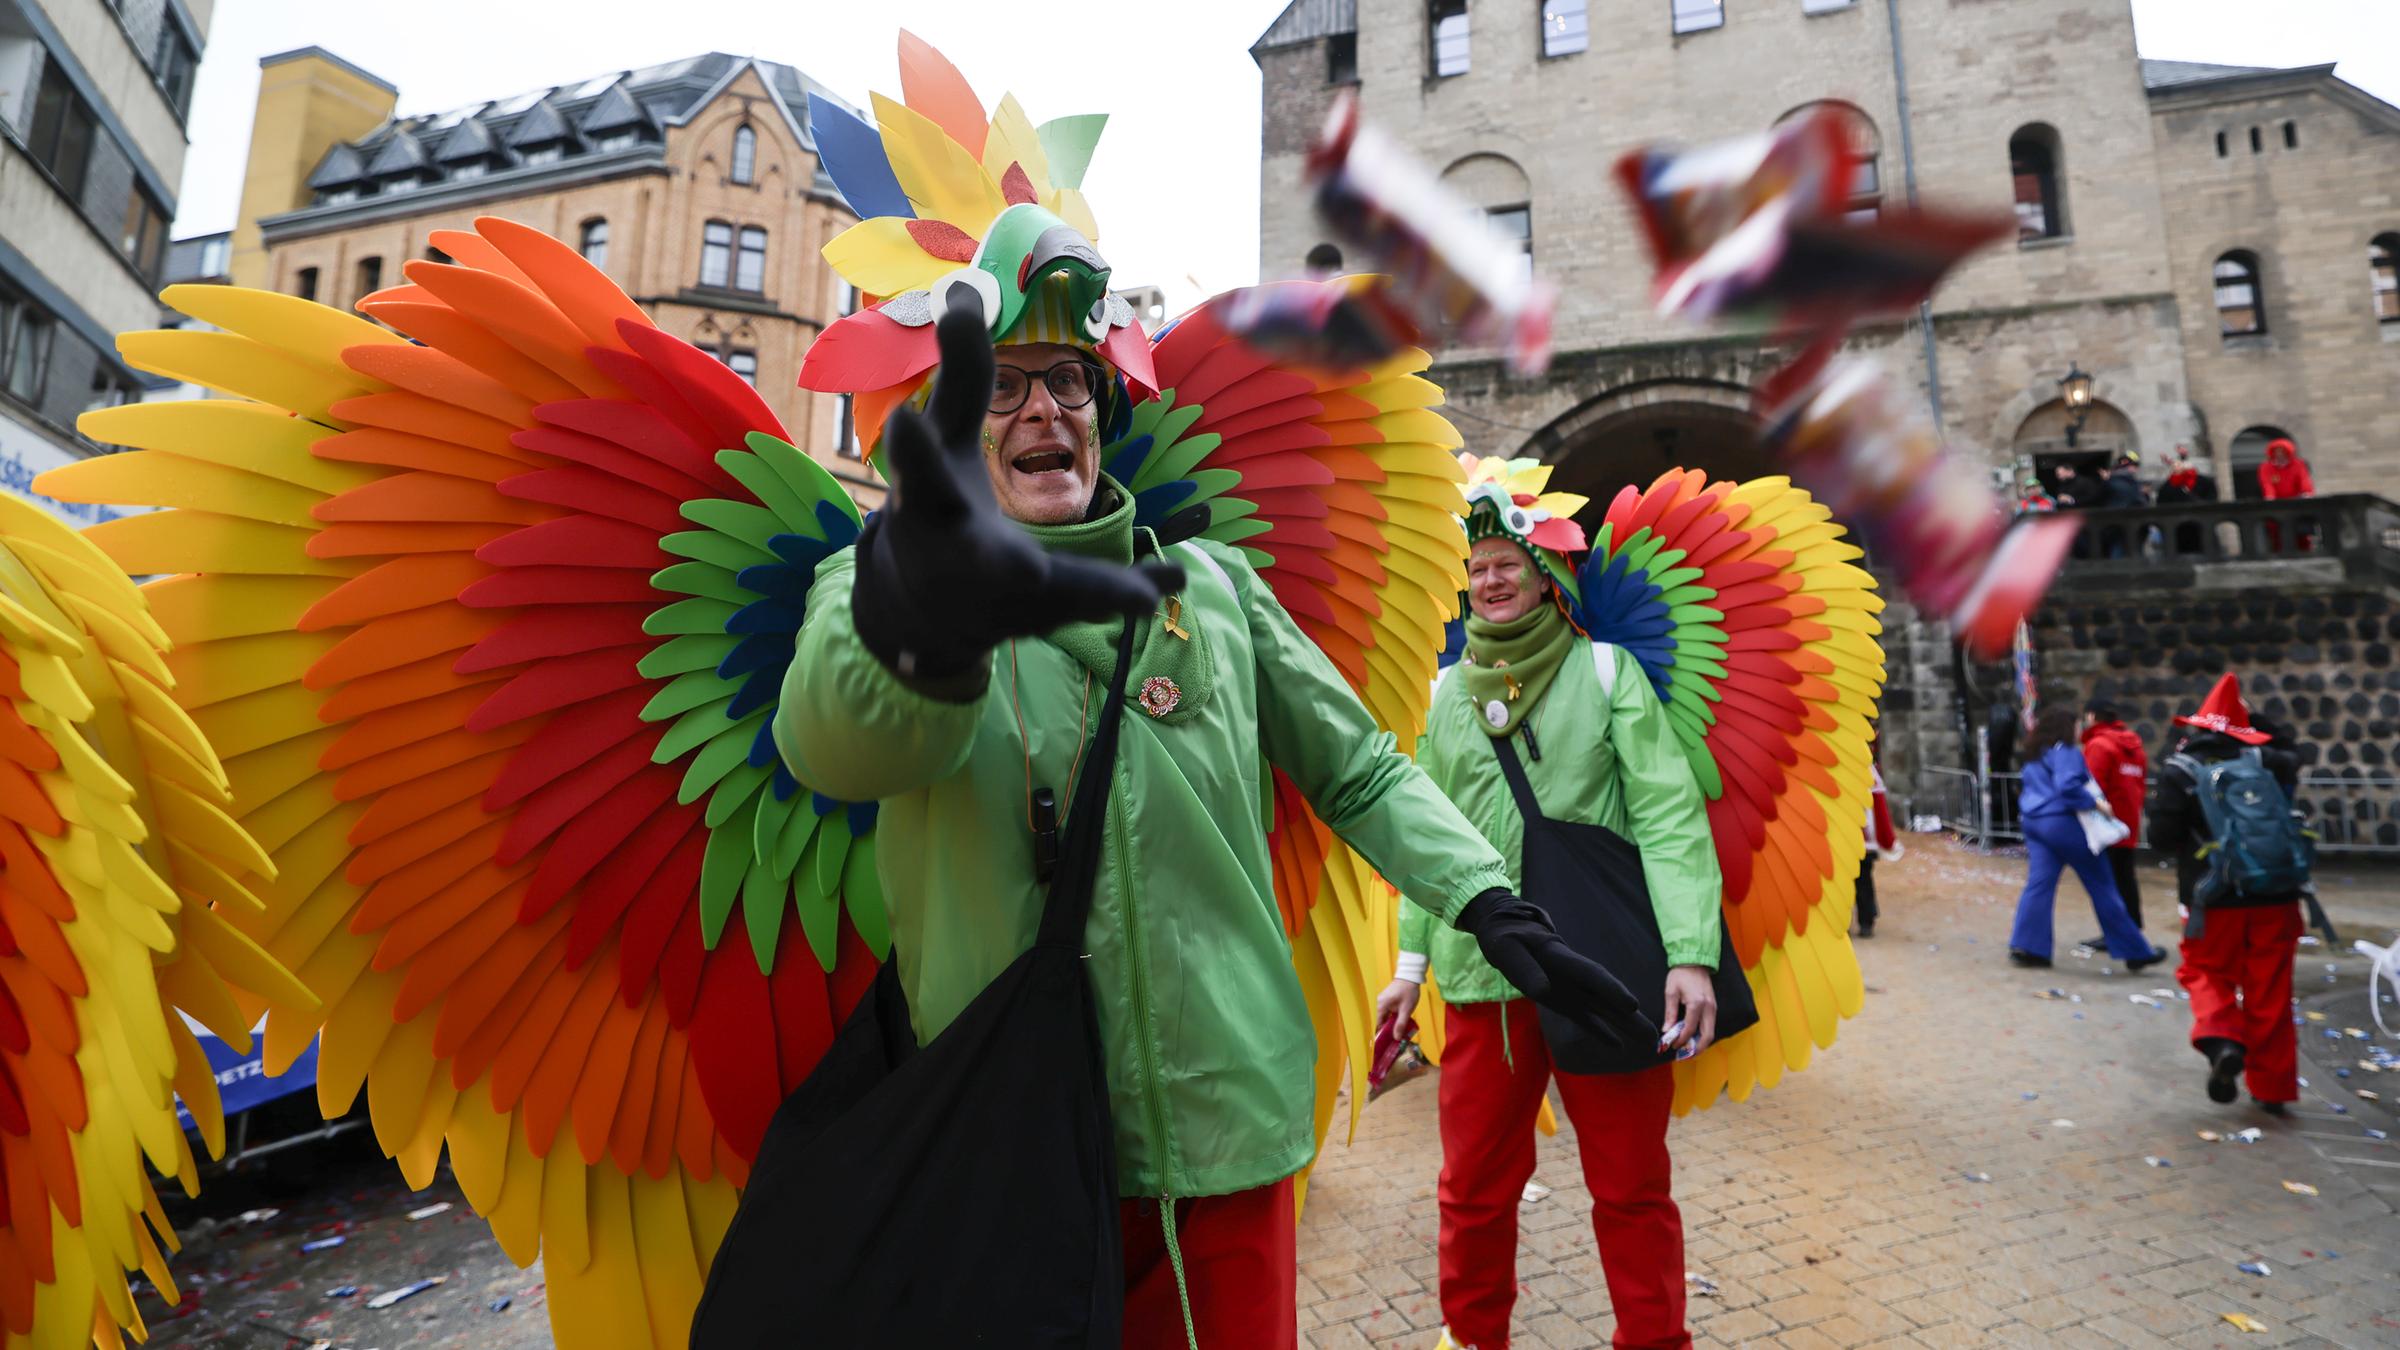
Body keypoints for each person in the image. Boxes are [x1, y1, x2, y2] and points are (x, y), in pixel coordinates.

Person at [774, 181, 1646, 1350]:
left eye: (1068, 379)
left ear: (1101, 413)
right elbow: (839, 746)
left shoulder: (1216, 589)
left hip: (1227, 1131)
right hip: (1008, 1146)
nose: (1044, 409)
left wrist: (1487, 899)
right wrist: (921, 614)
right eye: (1005, 386)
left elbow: (1358, 769)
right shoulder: (880, 583)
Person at [1372, 467, 1723, 1350]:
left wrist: (1690, 954)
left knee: (1631, 1186)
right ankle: (1471, 1339)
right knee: (1473, 1190)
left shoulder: (1606, 672)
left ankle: (1655, 1341)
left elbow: (1670, 816)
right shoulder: (1443, 694)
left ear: (1545, 576)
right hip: (1484, 979)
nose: (1491, 580)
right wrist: (1409, 968)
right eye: (1477, 567)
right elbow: (1427, 838)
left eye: (1508, 564)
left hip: (1603, 969)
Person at [2148, 675, 2308, 1114]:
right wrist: (2257, 723)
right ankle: (2272, 1088)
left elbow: (2161, 838)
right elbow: (2292, 752)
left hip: (2214, 898)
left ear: (2199, 724)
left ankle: (2223, 1041)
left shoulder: (2182, 770)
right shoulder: (2269, 761)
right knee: (2270, 989)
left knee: (2204, 970)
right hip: (2276, 894)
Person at [2006, 707, 2165, 970]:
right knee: (2102, 885)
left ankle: (2029, 946)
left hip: (2034, 821)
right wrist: (2096, 804)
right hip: (2062, 822)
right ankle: (2134, 950)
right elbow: (2067, 785)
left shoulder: (2036, 753)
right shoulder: (2065, 751)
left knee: (2039, 884)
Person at [2074, 698, 2150, 944]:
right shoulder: (2134, 746)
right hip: (2128, 819)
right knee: (2124, 877)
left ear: (2092, 716)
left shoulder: (2099, 745)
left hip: (2106, 822)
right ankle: (2131, 929)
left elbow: (2092, 786)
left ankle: (2116, 934)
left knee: (2107, 881)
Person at [1859, 755, 1901, 938]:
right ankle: (1866, 921)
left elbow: (1879, 808)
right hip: (1858, 839)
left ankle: (1866, 920)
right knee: (1862, 882)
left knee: (1861, 882)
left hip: (1862, 840)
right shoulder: (1870, 773)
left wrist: (1886, 838)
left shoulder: (1869, 773)